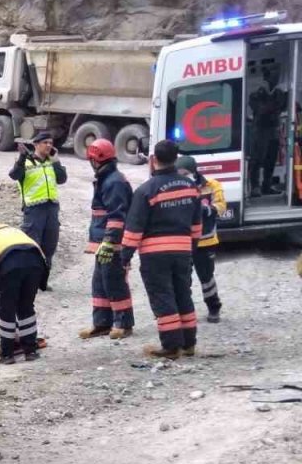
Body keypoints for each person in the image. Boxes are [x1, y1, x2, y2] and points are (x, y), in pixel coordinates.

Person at [121, 139, 203, 359]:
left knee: (162, 296)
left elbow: (134, 228)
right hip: (183, 250)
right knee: (183, 294)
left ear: (153, 159)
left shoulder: (146, 190)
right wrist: (191, 248)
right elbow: (197, 225)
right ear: (176, 159)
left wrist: (125, 256)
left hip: (154, 254)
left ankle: (170, 346)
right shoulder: (191, 187)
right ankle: (189, 343)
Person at [81, 138, 135, 340]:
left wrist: (109, 242)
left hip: (113, 244)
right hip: (103, 243)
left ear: (95, 160)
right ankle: (102, 323)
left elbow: (117, 216)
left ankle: (124, 323)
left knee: (114, 281)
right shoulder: (107, 179)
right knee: (100, 283)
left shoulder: (114, 182)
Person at [0, 223, 46, 363]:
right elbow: (40, 252)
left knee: (6, 310)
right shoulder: (14, 231)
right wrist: (43, 281)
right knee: (26, 307)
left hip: (7, 265)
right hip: (35, 262)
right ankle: (30, 350)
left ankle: (7, 354)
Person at [9, 131, 66, 291]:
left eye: (50, 142)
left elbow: (62, 179)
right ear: (36, 145)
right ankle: (28, 283)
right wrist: (20, 158)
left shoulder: (51, 162)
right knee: (32, 247)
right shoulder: (25, 162)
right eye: (45, 142)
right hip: (34, 210)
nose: (49, 145)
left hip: (51, 209)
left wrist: (56, 160)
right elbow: (14, 175)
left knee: (49, 246)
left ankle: (42, 282)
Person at [175, 155, 226, 323]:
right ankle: (184, 311)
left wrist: (207, 209)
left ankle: (214, 308)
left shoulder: (211, 186)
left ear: (193, 171)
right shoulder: (175, 187)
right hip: (184, 241)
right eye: (178, 173)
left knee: (206, 277)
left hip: (205, 240)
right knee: (183, 278)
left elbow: (221, 206)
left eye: (184, 173)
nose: (181, 176)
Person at [248, 67, 287, 196]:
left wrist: (277, 101)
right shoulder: (257, 93)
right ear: (267, 78)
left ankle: (267, 185)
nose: (276, 79)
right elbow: (261, 109)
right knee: (257, 159)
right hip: (260, 129)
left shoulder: (278, 92)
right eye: (274, 77)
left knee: (271, 159)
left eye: (277, 77)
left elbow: (282, 106)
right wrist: (271, 101)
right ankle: (255, 187)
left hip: (273, 129)